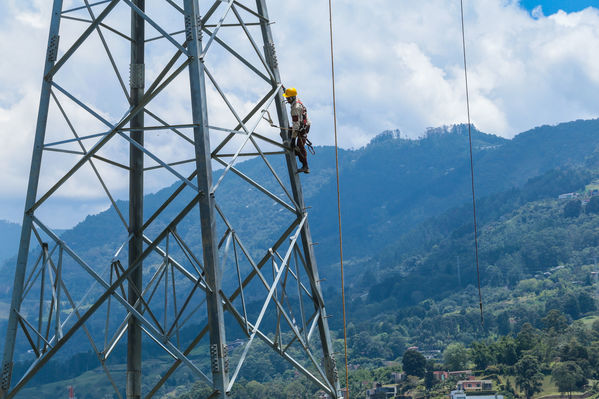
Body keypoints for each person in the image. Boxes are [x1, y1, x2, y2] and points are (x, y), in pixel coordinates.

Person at [283, 87, 311, 174]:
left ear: (291, 98)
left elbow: (296, 126)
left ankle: (305, 166)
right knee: (284, 133)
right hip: (304, 125)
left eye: (288, 98)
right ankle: (295, 151)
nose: (287, 99)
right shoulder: (297, 100)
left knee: (300, 147)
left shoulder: (295, 108)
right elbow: (290, 93)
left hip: (301, 128)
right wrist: (284, 88)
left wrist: (293, 139)